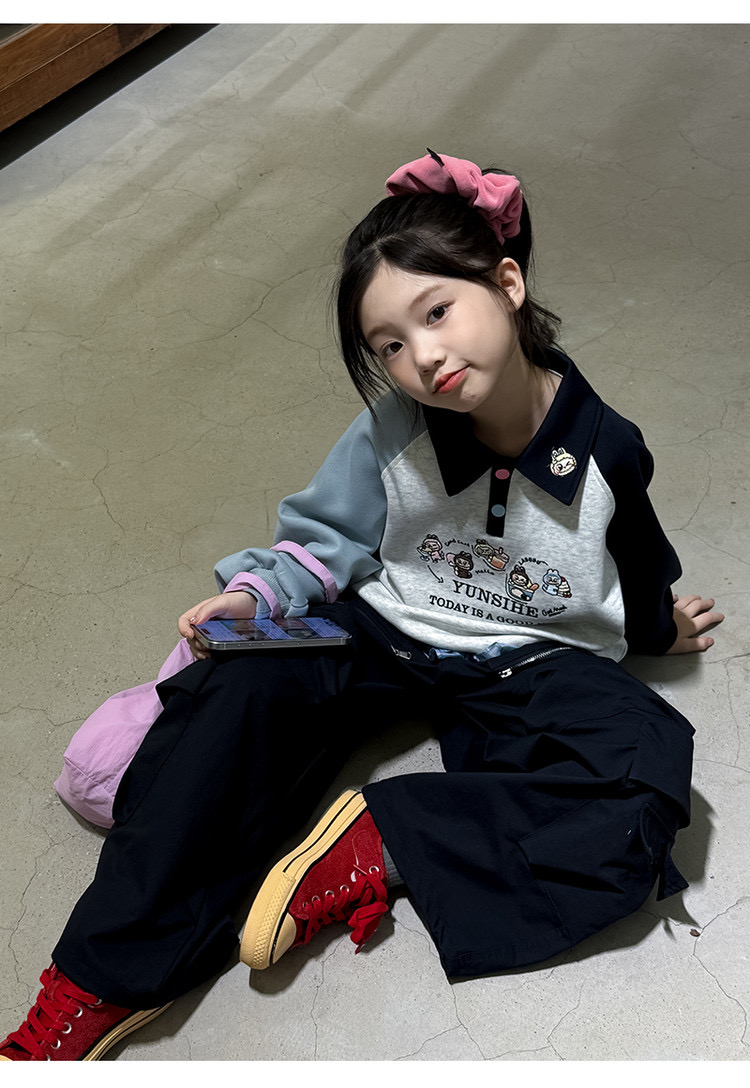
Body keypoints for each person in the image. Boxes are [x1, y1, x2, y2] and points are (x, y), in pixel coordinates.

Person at [1, 150, 723, 1062]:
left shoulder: (608, 448)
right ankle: (94, 986)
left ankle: (378, 841)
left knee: (646, 769)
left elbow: (637, 555)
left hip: (531, 655)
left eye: (436, 312)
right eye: (389, 345)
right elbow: (322, 539)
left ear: (506, 285)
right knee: (238, 681)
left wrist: (657, 625)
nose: (423, 357)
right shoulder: (391, 430)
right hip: (383, 627)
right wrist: (253, 597)